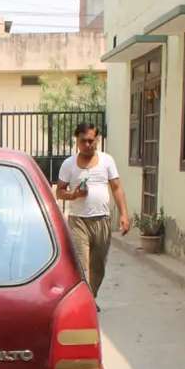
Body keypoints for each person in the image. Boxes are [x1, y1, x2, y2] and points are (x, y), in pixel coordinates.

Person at [56, 122, 130, 307]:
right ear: (77, 141)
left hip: (102, 220)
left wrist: (124, 215)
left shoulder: (107, 161)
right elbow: (59, 192)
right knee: (82, 265)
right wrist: (73, 195)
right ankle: (85, 304)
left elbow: (117, 188)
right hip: (78, 222)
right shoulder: (69, 164)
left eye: (91, 141)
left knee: (98, 267)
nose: (88, 145)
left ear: (97, 140)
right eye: (84, 141)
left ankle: (90, 296)